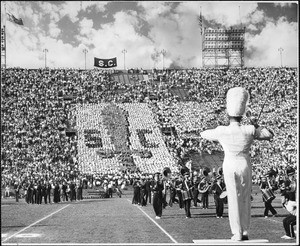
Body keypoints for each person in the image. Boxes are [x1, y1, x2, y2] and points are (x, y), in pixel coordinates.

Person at [200, 87, 274, 241]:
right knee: (245, 198)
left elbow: (203, 134)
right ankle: (245, 231)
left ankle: (237, 232)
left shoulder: (222, 130)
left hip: (229, 165)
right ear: (242, 115)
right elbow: (269, 135)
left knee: (233, 199)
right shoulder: (250, 129)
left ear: (228, 114)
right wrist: (255, 123)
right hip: (245, 165)